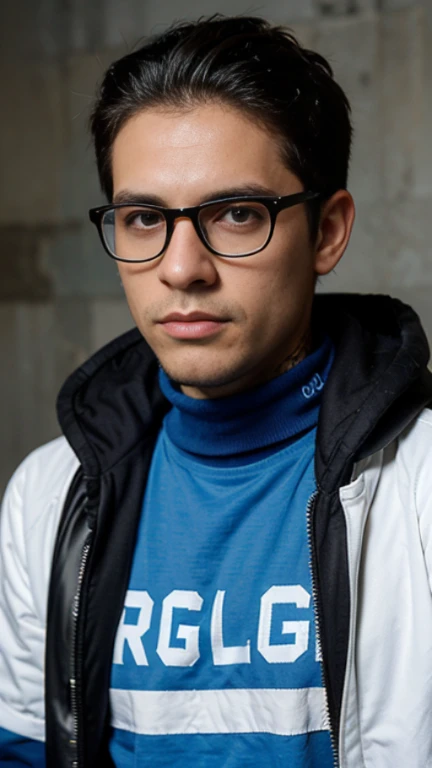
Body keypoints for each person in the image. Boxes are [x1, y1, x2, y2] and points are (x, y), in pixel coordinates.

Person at [1, 14, 432, 768]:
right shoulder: (47, 496)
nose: (181, 268)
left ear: (327, 231)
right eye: (143, 219)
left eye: (236, 214)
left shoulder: (423, 488)